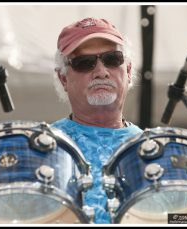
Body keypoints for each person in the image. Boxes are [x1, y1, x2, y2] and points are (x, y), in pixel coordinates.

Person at [51, 17, 143, 224]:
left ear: (127, 70)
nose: (101, 72)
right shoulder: (42, 148)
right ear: (63, 78)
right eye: (84, 63)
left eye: (112, 59)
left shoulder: (153, 149)